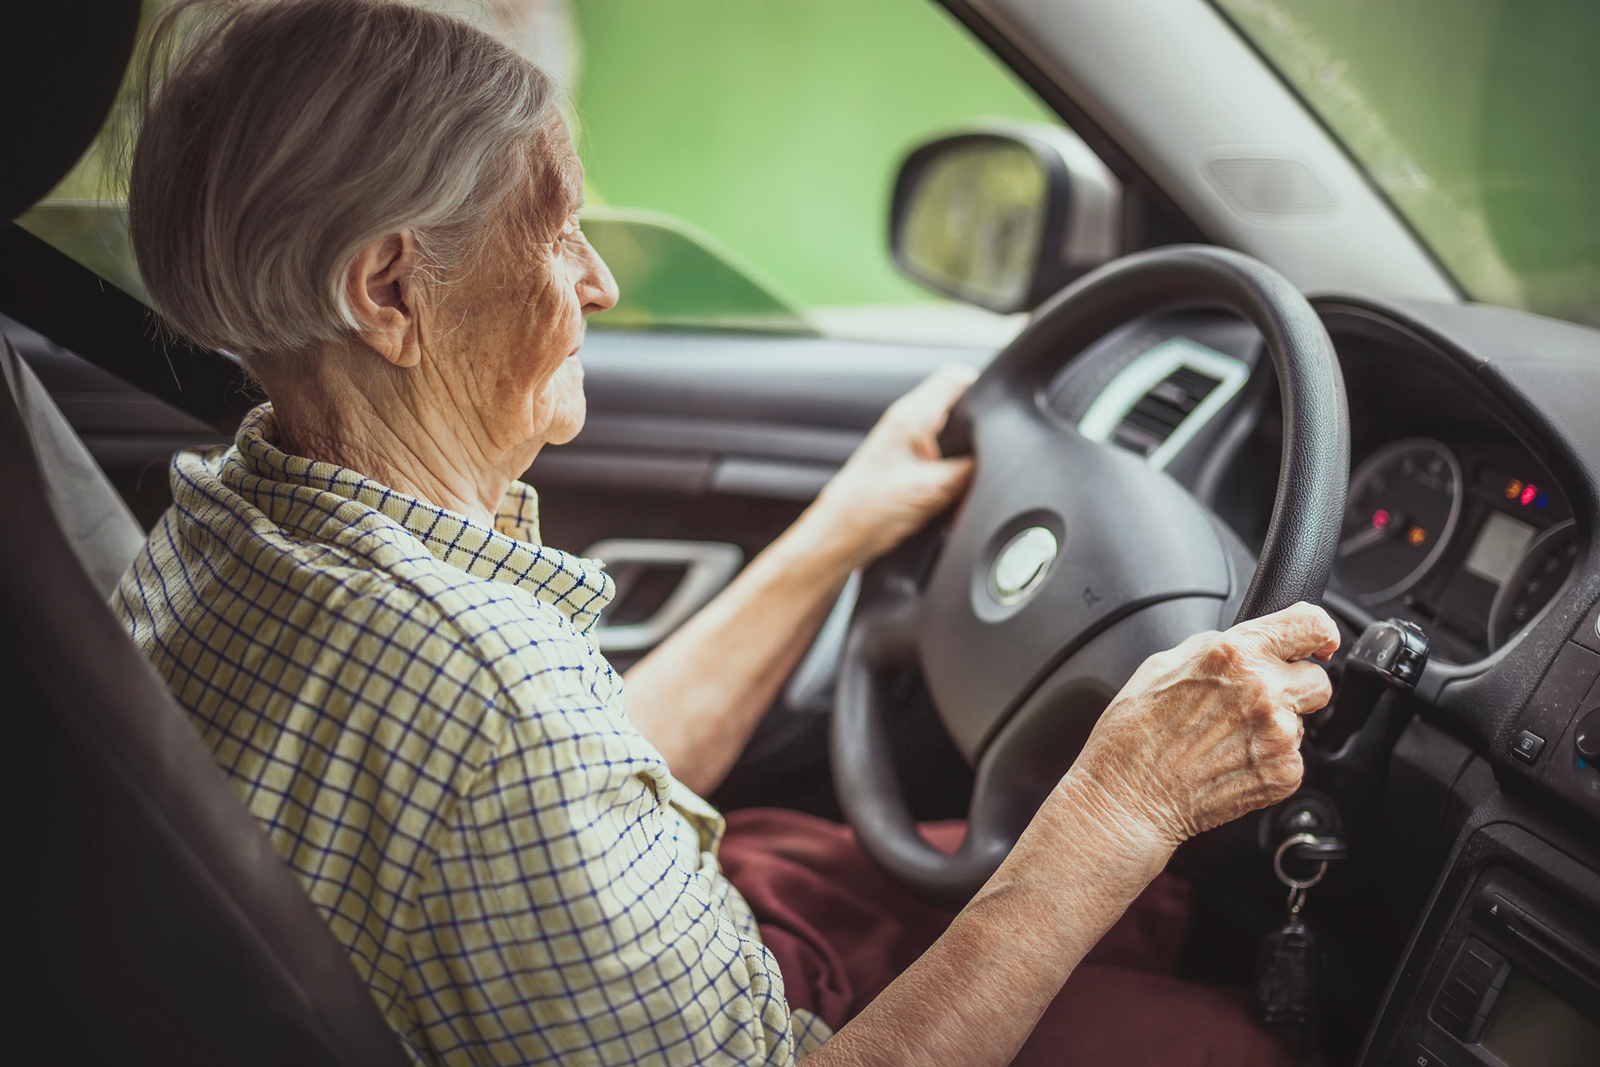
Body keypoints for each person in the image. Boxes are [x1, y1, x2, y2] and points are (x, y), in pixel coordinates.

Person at [113, 2, 1339, 1064]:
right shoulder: (491, 698)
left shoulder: (224, 514)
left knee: (886, 863)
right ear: (390, 293)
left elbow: (538, 779)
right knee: (1227, 1039)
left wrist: (835, 534)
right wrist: (1125, 797)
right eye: (553, 232)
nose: (596, 281)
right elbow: (515, 751)